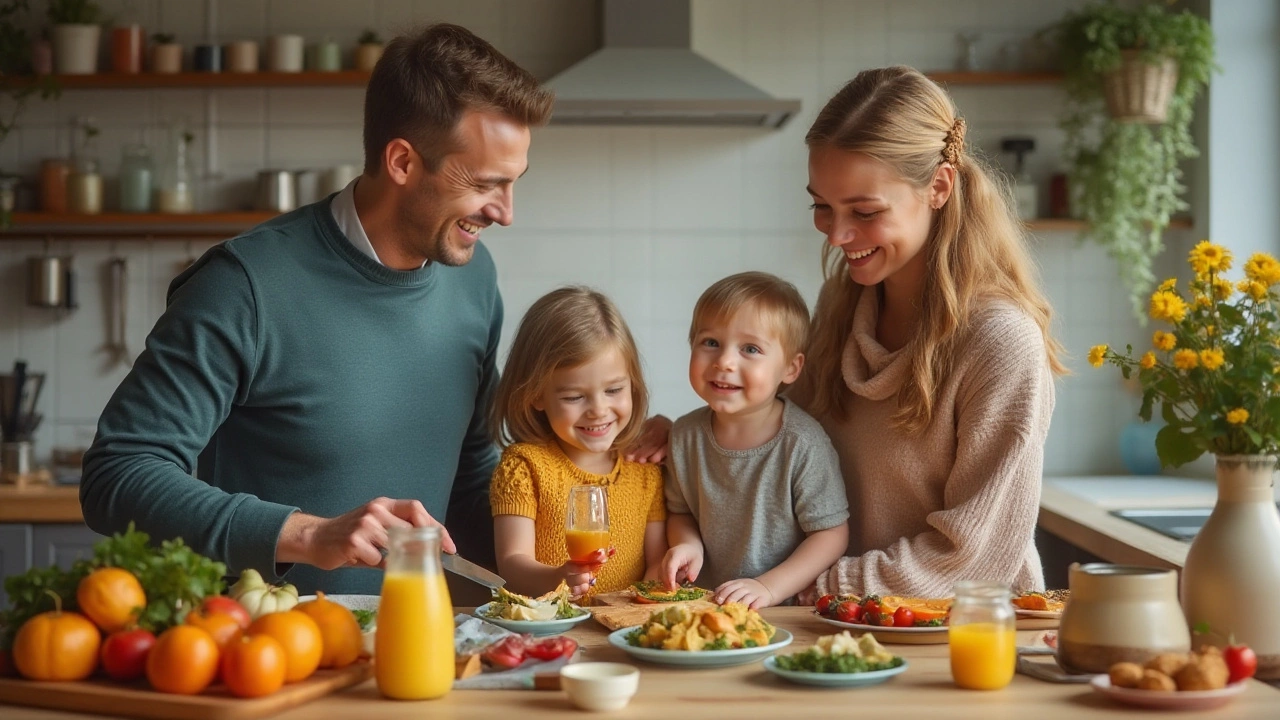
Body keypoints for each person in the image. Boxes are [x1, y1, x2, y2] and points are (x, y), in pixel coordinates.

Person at [79, 24, 555, 595]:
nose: (505, 213)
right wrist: (307, 534)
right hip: (273, 652)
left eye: (514, 184)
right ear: (402, 161)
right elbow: (119, 473)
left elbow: (473, 466)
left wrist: (552, 573)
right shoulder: (245, 285)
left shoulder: (473, 277)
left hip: (427, 644)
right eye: (485, 184)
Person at [792, 66, 1067, 600]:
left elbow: (973, 557)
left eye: (865, 211)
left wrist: (806, 584)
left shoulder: (1000, 342)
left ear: (938, 187)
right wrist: (689, 439)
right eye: (822, 206)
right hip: (838, 626)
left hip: (955, 641)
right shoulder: (840, 306)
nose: (838, 234)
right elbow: (778, 442)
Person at [661, 271, 849, 609]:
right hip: (702, 606)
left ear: (790, 369)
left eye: (750, 349)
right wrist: (688, 544)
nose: (724, 362)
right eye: (710, 343)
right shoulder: (684, 436)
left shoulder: (802, 443)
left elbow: (831, 535)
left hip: (779, 613)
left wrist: (768, 588)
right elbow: (680, 512)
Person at [489, 287, 667, 599]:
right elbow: (512, 565)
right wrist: (560, 577)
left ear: (633, 386)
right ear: (536, 396)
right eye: (574, 396)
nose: (598, 410)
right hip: (548, 632)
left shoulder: (645, 471)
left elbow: (656, 563)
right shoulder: (524, 466)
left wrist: (631, 607)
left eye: (613, 390)